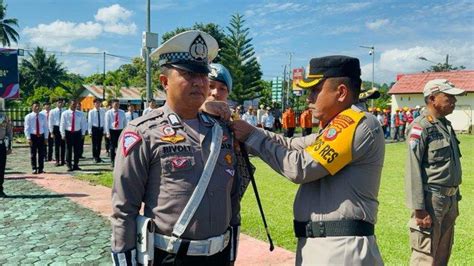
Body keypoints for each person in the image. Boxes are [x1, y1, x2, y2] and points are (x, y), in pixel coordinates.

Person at [232, 55, 385, 265]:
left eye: (315, 90)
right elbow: (292, 145)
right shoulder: (335, 126)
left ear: (341, 92)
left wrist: (251, 137)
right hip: (326, 244)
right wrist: (250, 130)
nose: (308, 98)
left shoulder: (356, 122)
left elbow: (299, 167)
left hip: (339, 249)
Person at [111, 30, 240, 265]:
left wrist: (231, 253)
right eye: (189, 74)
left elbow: (232, 199)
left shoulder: (222, 131)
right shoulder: (142, 133)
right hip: (170, 257)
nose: (199, 82)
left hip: (219, 255)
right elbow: (124, 209)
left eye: (203, 75)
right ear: (164, 82)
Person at [405, 79, 465, 265]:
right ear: (432, 98)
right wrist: (419, 209)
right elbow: (412, 168)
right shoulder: (420, 127)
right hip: (431, 201)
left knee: (442, 254)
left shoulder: (445, 126)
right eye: (449, 97)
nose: (454, 101)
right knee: (425, 255)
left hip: (449, 200)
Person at [60, 99, 87, 171]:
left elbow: (83, 124)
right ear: (69, 104)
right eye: (73, 104)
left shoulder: (80, 113)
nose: (75, 106)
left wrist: (83, 133)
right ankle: (69, 165)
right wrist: (63, 134)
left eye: (76, 104)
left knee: (77, 150)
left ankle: (76, 164)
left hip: (77, 132)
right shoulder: (65, 113)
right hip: (68, 133)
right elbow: (62, 124)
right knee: (68, 149)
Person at [24, 101, 49, 174]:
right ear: (32, 107)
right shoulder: (28, 116)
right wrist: (28, 138)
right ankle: (34, 168)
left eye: (38, 106)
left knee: (41, 153)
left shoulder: (43, 116)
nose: (37, 108)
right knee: (33, 153)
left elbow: (45, 127)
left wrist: (46, 137)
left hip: (41, 136)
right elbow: (27, 128)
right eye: (35, 106)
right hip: (33, 136)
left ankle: (41, 168)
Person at [105, 99, 126, 167]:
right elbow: (107, 123)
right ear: (112, 104)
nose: (117, 105)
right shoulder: (108, 113)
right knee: (112, 147)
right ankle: (112, 161)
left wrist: (125, 131)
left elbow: (124, 122)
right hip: (112, 131)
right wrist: (107, 133)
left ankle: (119, 161)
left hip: (120, 131)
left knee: (120, 147)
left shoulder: (122, 112)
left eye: (118, 104)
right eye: (115, 104)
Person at [0, 99, 13, 197]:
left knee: (1, 168)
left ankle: (0, 189)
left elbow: (9, 132)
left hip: (1, 145)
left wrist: (9, 146)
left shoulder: (4, 117)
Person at [88, 98, 106, 163]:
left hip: (100, 129)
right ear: (94, 104)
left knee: (99, 144)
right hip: (94, 129)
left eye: (99, 103)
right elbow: (90, 122)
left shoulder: (103, 111)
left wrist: (104, 130)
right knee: (94, 144)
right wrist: (90, 131)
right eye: (96, 103)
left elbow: (104, 121)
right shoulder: (91, 112)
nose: (98, 104)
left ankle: (98, 157)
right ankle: (94, 157)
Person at [49, 98, 66, 166]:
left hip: (63, 128)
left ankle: (63, 160)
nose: (60, 104)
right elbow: (50, 122)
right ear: (56, 103)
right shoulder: (52, 111)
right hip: (56, 128)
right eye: (59, 102)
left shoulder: (65, 110)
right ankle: (57, 160)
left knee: (63, 145)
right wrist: (51, 132)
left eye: (61, 102)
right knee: (56, 146)